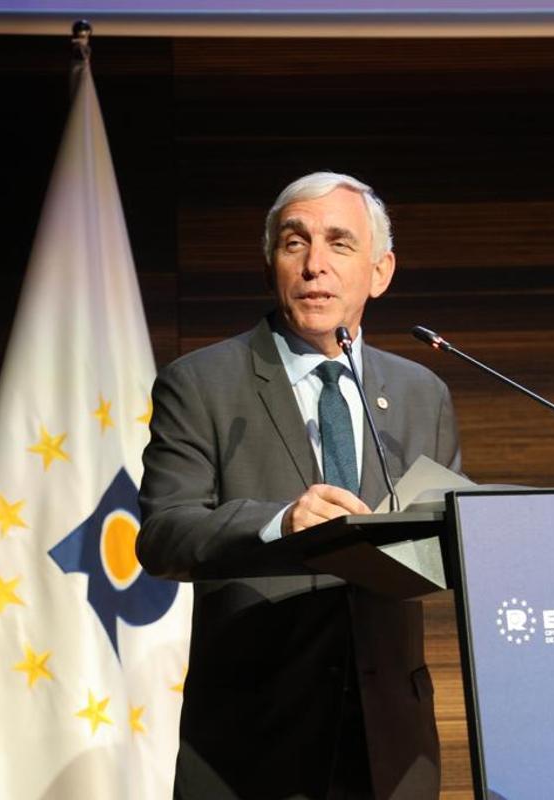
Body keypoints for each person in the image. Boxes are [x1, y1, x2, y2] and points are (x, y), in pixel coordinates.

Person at [137, 172, 462, 800]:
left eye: (340, 244)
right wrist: (277, 522)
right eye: (295, 243)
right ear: (270, 267)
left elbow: (434, 549)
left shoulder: (424, 392)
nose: (315, 264)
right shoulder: (201, 383)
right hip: (256, 737)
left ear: (379, 271)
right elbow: (163, 534)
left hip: (392, 741)